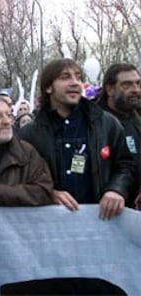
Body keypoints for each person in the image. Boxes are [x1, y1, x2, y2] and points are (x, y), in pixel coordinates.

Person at [18, 59, 134, 220]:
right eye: (65, 77)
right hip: (50, 225)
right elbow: (18, 179)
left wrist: (115, 189)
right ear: (48, 87)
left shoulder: (107, 124)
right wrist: (47, 194)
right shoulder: (29, 134)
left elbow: (126, 165)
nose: (75, 83)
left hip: (101, 223)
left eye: (78, 77)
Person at [96, 63, 141, 208]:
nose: (135, 90)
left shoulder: (137, 117)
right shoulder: (94, 122)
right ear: (110, 89)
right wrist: (116, 189)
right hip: (108, 209)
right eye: (127, 85)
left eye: (138, 83)